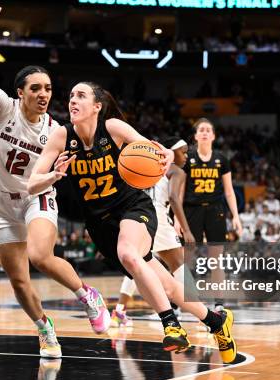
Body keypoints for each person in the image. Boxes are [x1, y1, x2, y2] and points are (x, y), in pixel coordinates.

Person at [28, 82, 237, 363]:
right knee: (167, 285)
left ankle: (171, 323)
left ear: (97, 106)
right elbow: (32, 184)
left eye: (80, 96)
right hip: (100, 225)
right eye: (71, 96)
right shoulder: (61, 137)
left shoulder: (113, 128)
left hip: (131, 207)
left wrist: (165, 155)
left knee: (129, 253)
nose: (72, 101)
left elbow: (149, 148)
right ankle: (215, 322)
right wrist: (53, 176)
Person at [0, 0, 110, 359]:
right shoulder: (2, 108)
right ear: (20, 92)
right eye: (35, 88)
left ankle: (87, 295)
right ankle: (45, 329)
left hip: (37, 196)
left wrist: (57, 174)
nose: (44, 94)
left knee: (41, 255)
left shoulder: (57, 130)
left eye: (47, 88)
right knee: (18, 280)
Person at [111, 136, 194, 327]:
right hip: (157, 217)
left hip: (137, 216)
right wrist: (186, 228)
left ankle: (119, 312)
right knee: (178, 262)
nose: (186, 156)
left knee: (138, 261)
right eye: (183, 151)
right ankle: (200, 313)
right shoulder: (175, 170)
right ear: (171, 152)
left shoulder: (147, 164)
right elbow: (173, 198)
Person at [182, 118, 243, 310]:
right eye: (201, 130)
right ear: (196, 136)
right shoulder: (188, 159)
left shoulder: (221, 160)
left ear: (214, 136)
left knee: (216, 258)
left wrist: (236, 216)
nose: (205, 132)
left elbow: (229, 191)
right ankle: (183, 298)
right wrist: (177, 218)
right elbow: (180, 191)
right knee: (186, 258)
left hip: (216, 210)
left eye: (208, 130)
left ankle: (219, 303)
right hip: (192, 210)